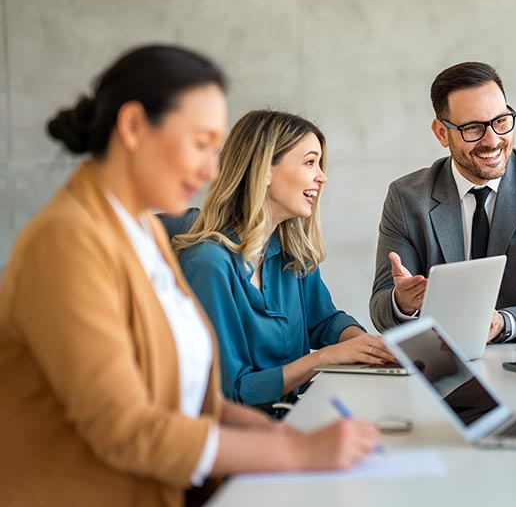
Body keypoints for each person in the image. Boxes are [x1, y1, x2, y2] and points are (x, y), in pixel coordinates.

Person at [0, 46, 380, 507]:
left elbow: (173, 390)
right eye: (200, 143)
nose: (212, 170)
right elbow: (125, 428)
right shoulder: (67, 241)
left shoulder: (144, 233)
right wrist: (296, 451)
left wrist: (261, 428)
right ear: (134, 126)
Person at [175, 110, 396, 407]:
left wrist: (369, 348)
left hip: (297, 413)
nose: (322, 177)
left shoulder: (292, 254)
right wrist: (323, 358)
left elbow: (324, 321)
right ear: (264, 170)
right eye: (310, 162)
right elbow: (232, 393)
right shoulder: (208, 265)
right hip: (247, 429)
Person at [370, 61, 516, 342]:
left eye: (501, 121)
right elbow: (381, 309)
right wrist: (403, 303)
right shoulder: (406, 198)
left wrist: (504, 323)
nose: (492, 141)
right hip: (443, 360)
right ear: (441, 133)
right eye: (472, 128)